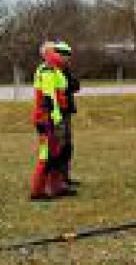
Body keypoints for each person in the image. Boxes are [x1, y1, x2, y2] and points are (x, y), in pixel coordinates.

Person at [30, 41, 75, 200]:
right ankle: (37, 191)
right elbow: (49, 97)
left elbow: (63, 92)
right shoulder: (47, 70)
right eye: (57, 52)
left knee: (57, 153)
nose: (63, 56)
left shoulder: (55, 70)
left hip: (53, 117)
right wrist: (56, 119)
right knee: (46, 154)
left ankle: (55, 187)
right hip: (46, 119)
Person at [56, 41, 80, 188]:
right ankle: (59, 179)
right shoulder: (54, 71)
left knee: (68, 146)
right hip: (59, 113)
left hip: (67, 112)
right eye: (64, 55)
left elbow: (76, 85)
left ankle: (65, 176)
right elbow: (68, 85)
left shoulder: (66, 69)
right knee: (61, 146)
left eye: (68, 55)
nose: (67, 58)